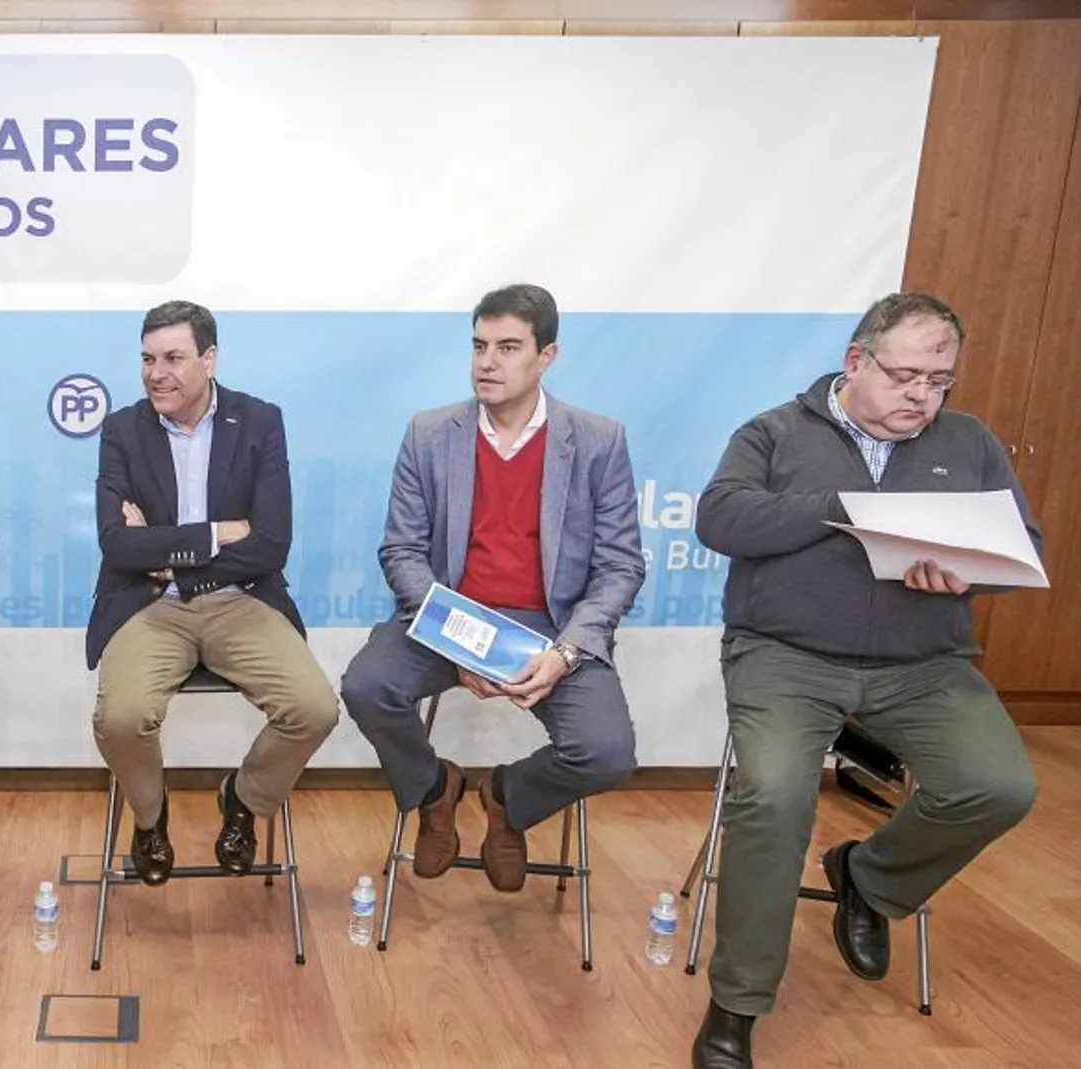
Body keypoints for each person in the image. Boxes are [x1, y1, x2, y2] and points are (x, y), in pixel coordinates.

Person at [689, 293, 1041, 1069]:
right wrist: (846, 507)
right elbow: (721, 519)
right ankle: (736, 1004)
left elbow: (1023, 546)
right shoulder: (775, 431)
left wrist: (964, 575)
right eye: (907, 374)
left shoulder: (969, 441)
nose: (922, 395)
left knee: (1001, 785)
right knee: (777, 795)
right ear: (857, 362)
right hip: (787, 656)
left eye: (940, 379)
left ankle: (870, 878)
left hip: (923, 665)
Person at [340, 284, 643, 892]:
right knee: (365, 687)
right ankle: (434, 789)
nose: (487, 362)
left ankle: (508, 797)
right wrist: (459, 645)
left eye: (508, 347)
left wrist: (565, 653)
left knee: (608, 754)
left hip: (551, 629)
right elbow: (401, 551)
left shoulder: (597, 439)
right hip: (449, 618)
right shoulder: (430, 434)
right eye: (479, 346)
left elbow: (620, 566)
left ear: (547, 356)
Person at [87, 300, 340, 884]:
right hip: (148, 607)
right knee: (122, 719)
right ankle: (150, 816)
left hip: (241, 597)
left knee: (313, 710)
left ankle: (243, 801)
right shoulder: (123, 428)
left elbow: (272, 543)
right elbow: (117, 546)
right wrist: (215, 534)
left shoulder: (259, 421)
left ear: (209, 359)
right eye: (147, 359)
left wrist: (173, 557)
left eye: (174, 358)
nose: (157, 373)